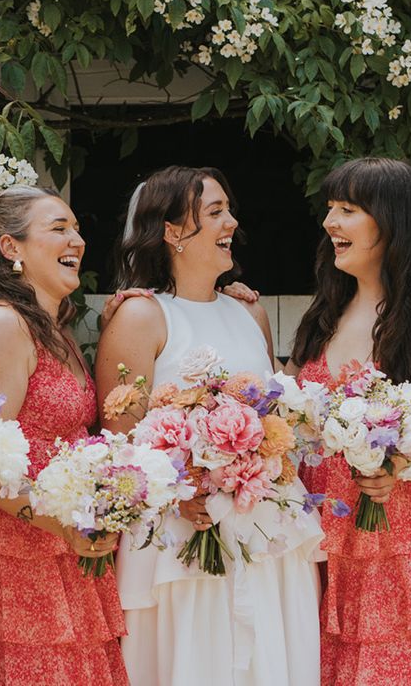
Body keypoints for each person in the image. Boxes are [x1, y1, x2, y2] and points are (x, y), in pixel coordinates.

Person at [96, 166, 324, 686]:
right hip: (183, 532)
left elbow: (274, 418)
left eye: (228, 210)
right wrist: (183, 489)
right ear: (172, 232)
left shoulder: (250, 312)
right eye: (215, 212)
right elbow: (119, 443)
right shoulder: (141, 317)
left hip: (263, 525)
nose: (232, 223)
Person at [289, 156, 411, 686]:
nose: (330, 224)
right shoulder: (324, 314)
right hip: (316, 531)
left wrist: (399, 469)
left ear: (390, 221)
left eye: (347, 210)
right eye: (330, 210)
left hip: (391, 539)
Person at [0, 185, 128, 686]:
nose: (76, 239)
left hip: (69, 551)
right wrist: (63, 525)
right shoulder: (2, 325)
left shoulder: (57, 331)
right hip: (20, 559)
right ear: (11, 248)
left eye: (76, 228)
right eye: (58, 229)